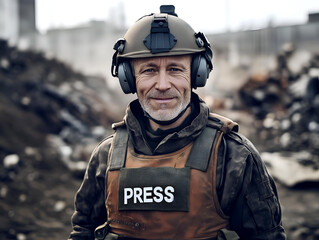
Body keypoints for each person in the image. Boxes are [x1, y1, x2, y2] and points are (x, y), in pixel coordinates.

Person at [69, 5, 286, 240]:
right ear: (129, 79)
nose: (163, 84)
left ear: (196, 74)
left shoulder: (233, 155)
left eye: (175, 69)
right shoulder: (107, 156)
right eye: (149, 70)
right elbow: (83, 232)